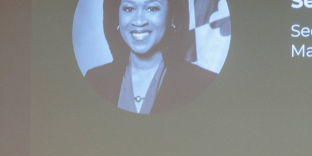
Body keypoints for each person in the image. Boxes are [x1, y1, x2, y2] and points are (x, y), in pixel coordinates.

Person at [85, 0, 217, 115]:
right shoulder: (94, 80)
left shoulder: (204, 84)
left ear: (172, 16)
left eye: (152, 8)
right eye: (129, 9)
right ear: (116, 16)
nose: (139, 21)